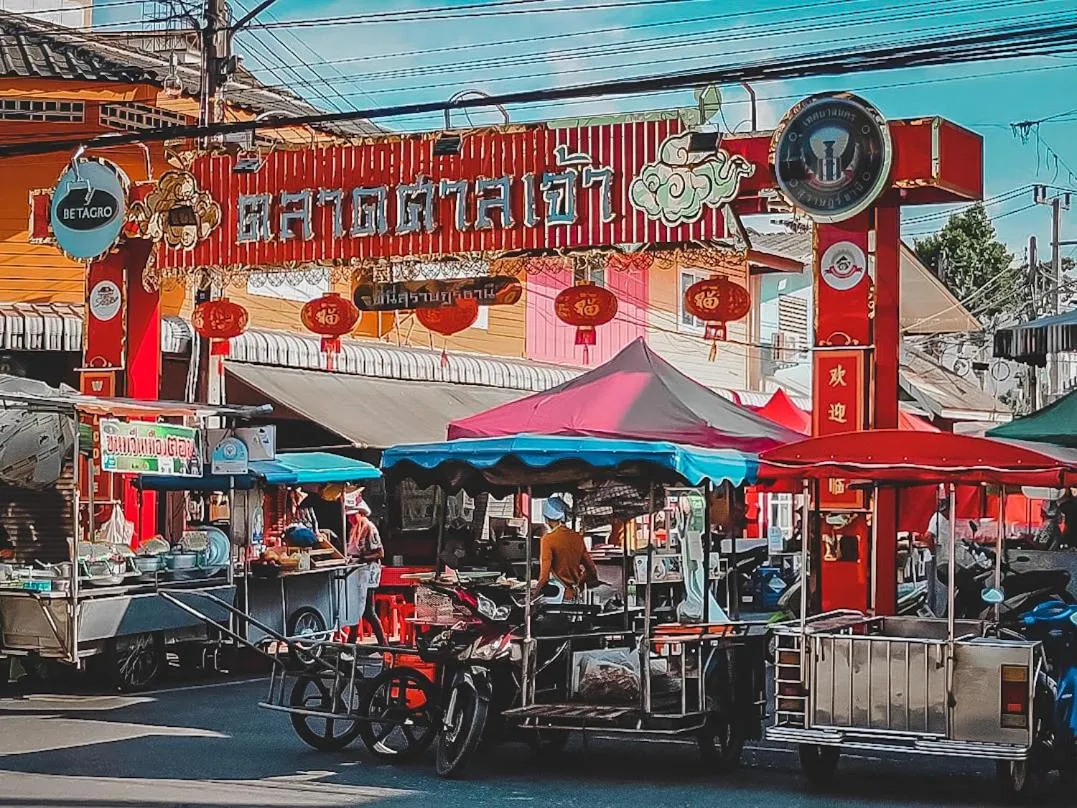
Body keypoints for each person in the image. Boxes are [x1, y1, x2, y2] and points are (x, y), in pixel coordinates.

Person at [534, 495, 598, 602]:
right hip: (575, 596)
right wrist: (578, 585)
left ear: (546, 519)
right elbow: (591, 570)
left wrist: (534, 596)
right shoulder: (577, 537)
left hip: (557, 597)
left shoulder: (548, 540)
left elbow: (544, 577)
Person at [347, 500, 387, 647]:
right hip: (356, 571)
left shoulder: (369, 527)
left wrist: (364, 558)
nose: (350, 519)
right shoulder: (354, 529)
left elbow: (380, 553)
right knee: (362, 609)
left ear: (360, 514)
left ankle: (382, 643)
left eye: (353, 515)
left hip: (368, 573)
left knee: (366, 609)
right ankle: (382, 643)